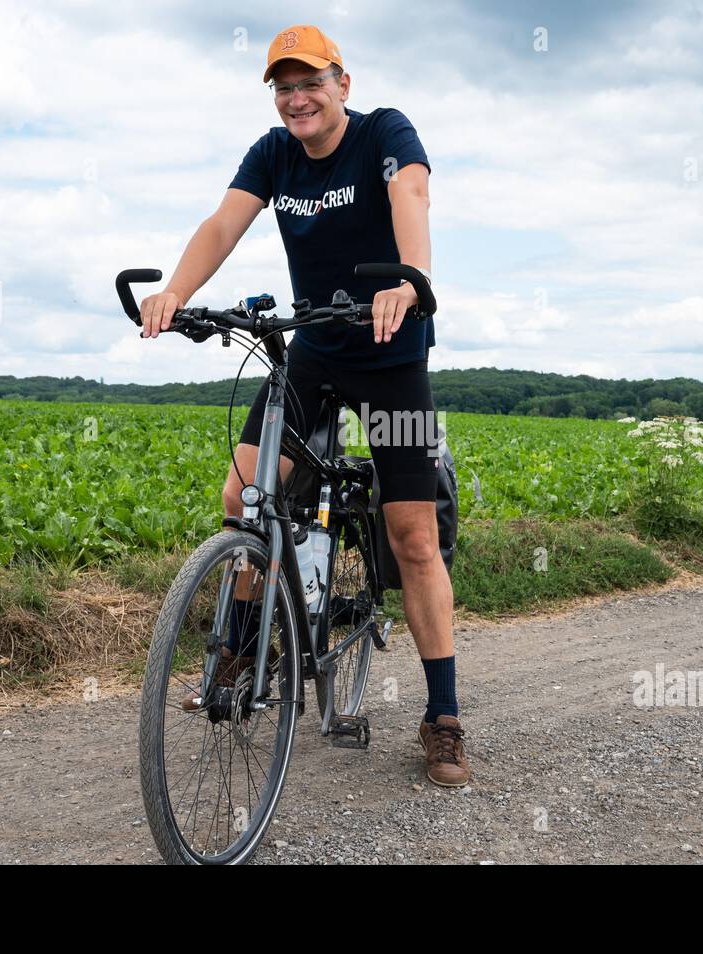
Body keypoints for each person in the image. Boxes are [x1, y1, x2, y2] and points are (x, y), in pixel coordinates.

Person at [139, 24, 468, 787]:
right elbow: (225, 221)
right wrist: (176, 293)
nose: (297, 98)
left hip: (391, 354)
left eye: (310, 82)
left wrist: (410, 278)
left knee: (411, 534)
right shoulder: (274, 153)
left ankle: (443, 717)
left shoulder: (384, 131)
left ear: (342, 84)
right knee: (244, 494)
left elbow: (411, 190)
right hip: (314, 349)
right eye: (284, 87)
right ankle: (239, 652)